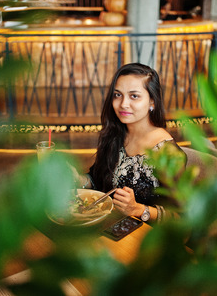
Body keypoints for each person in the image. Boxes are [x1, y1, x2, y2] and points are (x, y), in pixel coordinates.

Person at [74, 63, 184, 223]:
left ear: (152, 102)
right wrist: (77, 179)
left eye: (134, 96)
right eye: (117, 95)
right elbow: (98, 182)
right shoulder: (116, 134)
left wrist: (138, 209)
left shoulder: (167, 153)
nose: (123, 104)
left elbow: (182, 221)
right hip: (110, 226)